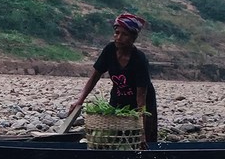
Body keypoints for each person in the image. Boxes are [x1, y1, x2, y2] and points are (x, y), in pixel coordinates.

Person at [68, 13, 158, 146]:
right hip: (118, 99)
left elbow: (141, 100)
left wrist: (142, 133)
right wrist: (80, 100)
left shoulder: (139, 59)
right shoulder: (110, 50)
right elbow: (94, 77)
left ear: (133, 37)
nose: (119, 38)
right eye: (117, 33)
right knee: (114, 138)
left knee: (143, 142)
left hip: (142, 103)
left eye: (124, 34)